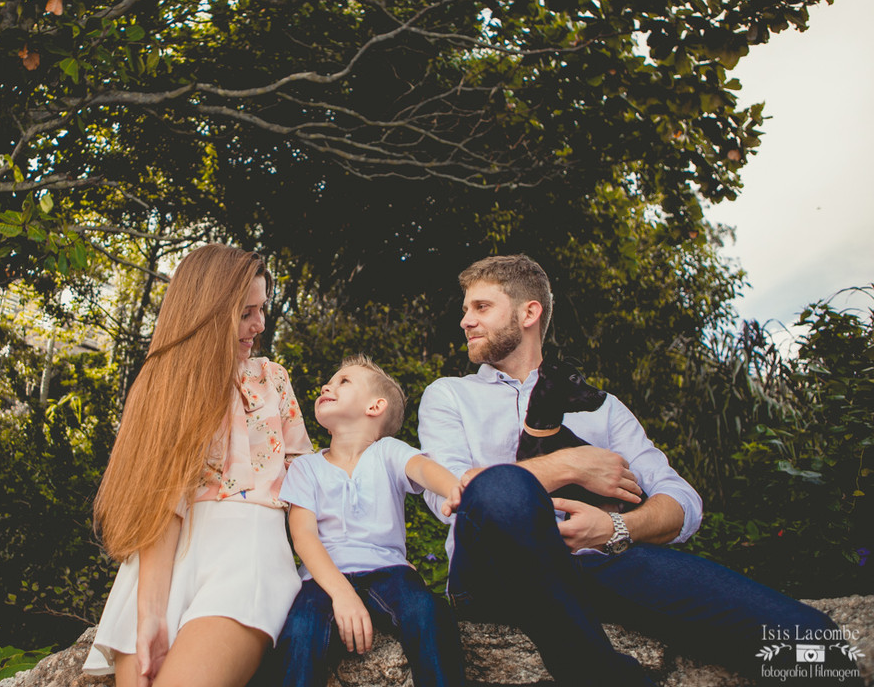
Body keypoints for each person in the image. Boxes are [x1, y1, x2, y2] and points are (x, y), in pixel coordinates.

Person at [418, 254, 855, 687]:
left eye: (480, 307)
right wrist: (571, 463)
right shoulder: (450, 395)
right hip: (492, 576)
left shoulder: (601, 407)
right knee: (501, 488)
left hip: (596, 564)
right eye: (465, 310)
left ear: (528, 312)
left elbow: (682, 502)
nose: (465, 321)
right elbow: (455, 496)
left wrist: (615, 527)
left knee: (814, 644)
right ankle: (600, 675)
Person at [84, 244, 314, 687]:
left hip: (249, 550)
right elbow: (161, 502)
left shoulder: (272, 378)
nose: (260, 324)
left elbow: (306, 481)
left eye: (262, 309)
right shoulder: (164, 381)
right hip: (162, 562)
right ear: (209, 311)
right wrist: (149, 613)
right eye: (247, 312)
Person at [272, 355, 466, 687]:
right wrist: (342, 594)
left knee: (428, 612)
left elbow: (421, 468)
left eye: (343, 381)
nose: (327, 385)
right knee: (300, 629)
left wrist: (456, 489)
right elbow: (303, 537)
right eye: (330, 381)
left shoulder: (388, 452)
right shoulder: (306, 467)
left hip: (389, 571)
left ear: (375, 407)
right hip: (322, 579)